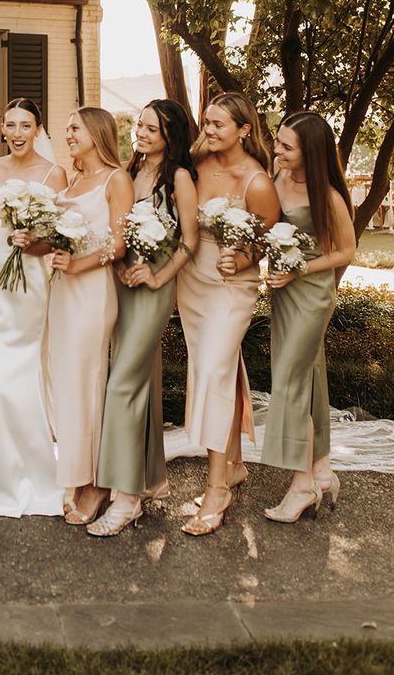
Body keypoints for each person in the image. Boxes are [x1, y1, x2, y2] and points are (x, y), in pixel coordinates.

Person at [88, 100, 199, 537]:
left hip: (154, 290)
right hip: (124, 285)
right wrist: (118, 265)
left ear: (171, 135)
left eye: (152, 128)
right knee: (143, 384)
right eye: (139, 124)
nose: (141, 133)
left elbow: (190, 241)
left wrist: (158, 276)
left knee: (123, 384)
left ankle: (125, 498)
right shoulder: (130, 172)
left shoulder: (180, 178)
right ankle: (153, 479)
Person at [176, 91, 279, 536]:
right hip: (193, 282)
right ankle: (233, 465)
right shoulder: (196, 164)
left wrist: (241, 257)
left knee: (216, 372)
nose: (209, 130)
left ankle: (217, 488)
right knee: (215, 369)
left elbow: (267, 240)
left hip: (231, 286)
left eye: (219, 124)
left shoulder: (256, 182)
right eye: (207, 122)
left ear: (244, 129)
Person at [0, 97, 67, 518]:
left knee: (21, 374)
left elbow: (59, 236)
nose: (18, 133)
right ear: (1, 129)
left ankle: (32, 471)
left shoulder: (53, 173)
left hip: (29, 287)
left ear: (38, 129)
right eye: (11, 125)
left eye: (26, 125)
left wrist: (34, 241)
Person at [262, 111, 356, 522]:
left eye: (286, 146)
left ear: (310, 152)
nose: (277, 151)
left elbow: (345, 252)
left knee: (290, 381)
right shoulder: (278, 178)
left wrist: (300, 269)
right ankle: (321, 470)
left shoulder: (329, 197)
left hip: (312, 293)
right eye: (278, 142)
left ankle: (301, 485)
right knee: (310, 379)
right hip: (283, 293)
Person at [48, 106, 134, 526]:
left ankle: (96, 482)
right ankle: (74, 473)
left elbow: (119, 244)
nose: (67, 134)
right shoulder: (75, 178)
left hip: (92, 291)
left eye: (74, 128)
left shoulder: (116, 180)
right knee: (66, 382)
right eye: (66, 129)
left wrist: (80, 264)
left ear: (97, 133)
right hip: (61, 291)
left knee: (87, 381)